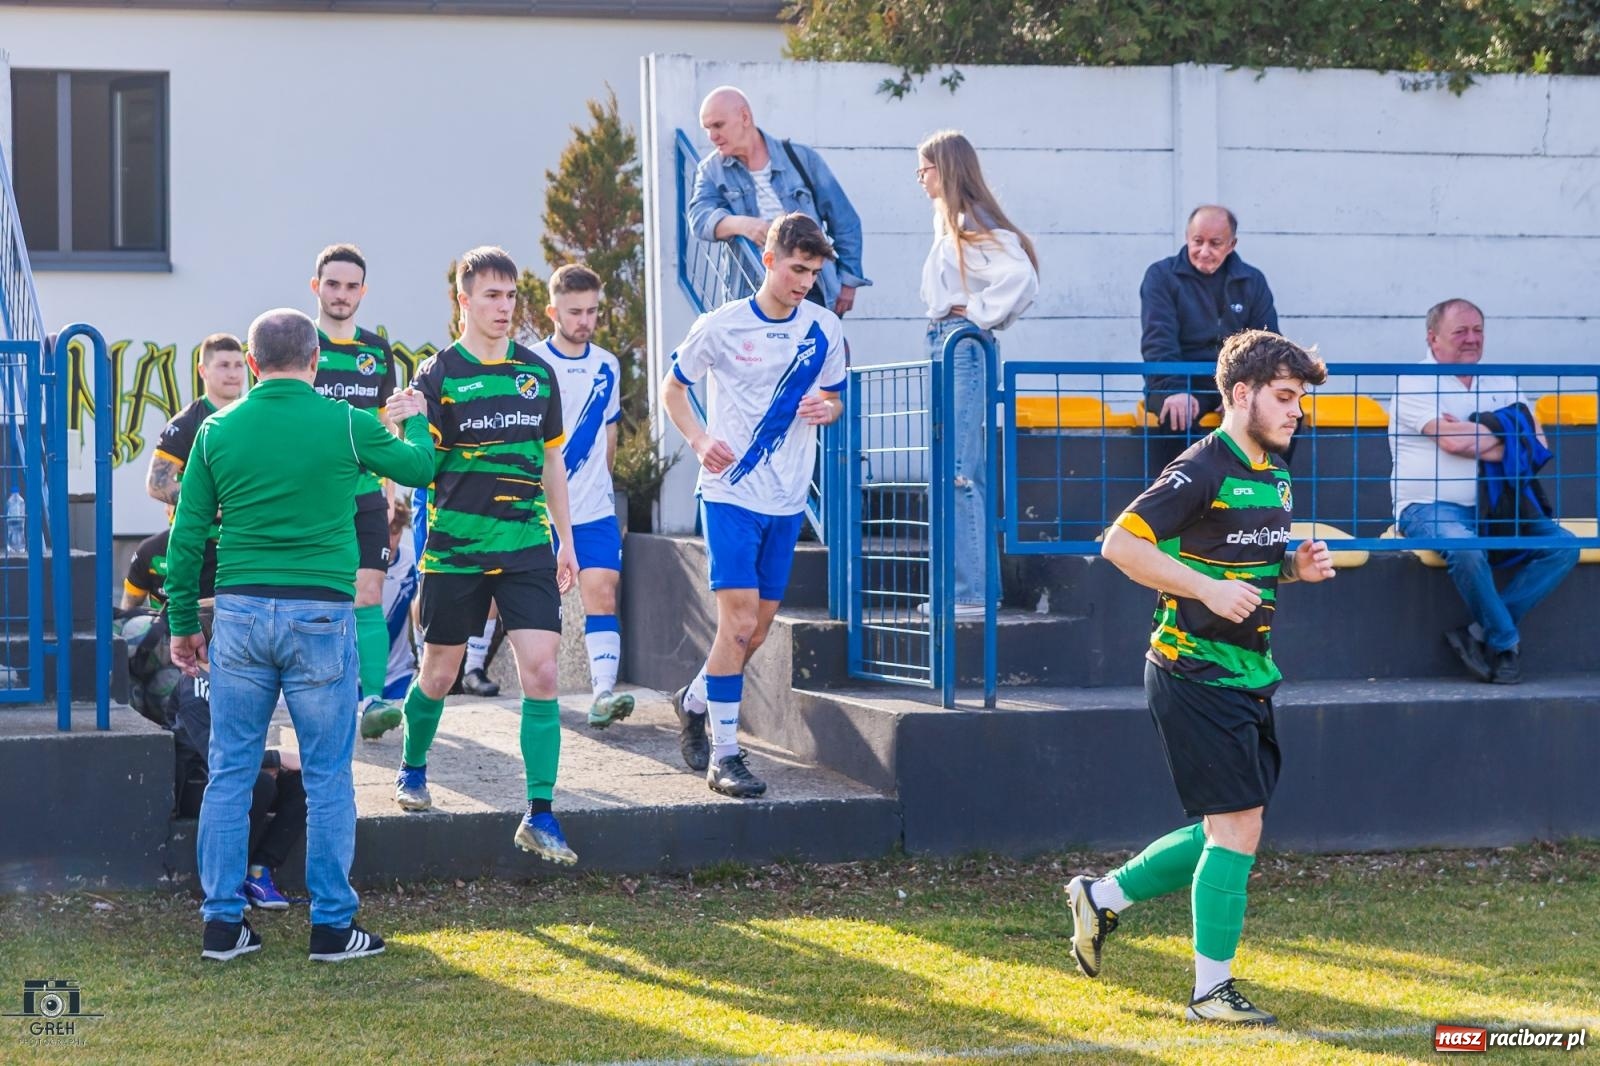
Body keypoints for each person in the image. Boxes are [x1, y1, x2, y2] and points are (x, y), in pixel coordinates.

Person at [1077, 330, 1332, 1027]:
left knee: (1231, 824)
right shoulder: (1201, 466)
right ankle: (1210, 993)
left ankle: (1101, 899)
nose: (1296, 412)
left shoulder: (1276, 472)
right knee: (1238, 825)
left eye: (1301, 400)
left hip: (1249, 671)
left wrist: (1293, 569)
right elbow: (1120, 544)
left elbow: (1246, 561)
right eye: (1285, 397)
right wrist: (1205, 591)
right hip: (1192, 667)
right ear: (1241, 394)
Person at [166, 307, 435, 964]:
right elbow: (423, 467)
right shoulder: (346, 424)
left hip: (239, 614)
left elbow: (186, 536)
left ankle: (223, 926)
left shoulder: (218, 428)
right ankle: (333, 928)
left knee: (229, 771)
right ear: (316, 362)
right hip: (321, 614)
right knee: (326, 775)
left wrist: (180, 623)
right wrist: (419, 409)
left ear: (252, 365)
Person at [394, 246, 582, 868]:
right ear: (464, 300)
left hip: (527, 544)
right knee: (440, 676)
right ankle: (413, 765)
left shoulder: (537, 373)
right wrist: (404, 424)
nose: (504, 308)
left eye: (510, 296)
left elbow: (551, 458)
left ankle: (541, 811)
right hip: (456, 552)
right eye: (492, 296)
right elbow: (420, 461)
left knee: (544, 672)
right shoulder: (438, 375)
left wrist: (565, 539)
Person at [661, 213, 847, 798]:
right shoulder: (721, 326)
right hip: (731, 493)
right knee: (737, 623)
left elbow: (836, 396)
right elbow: (673, 388)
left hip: (788, 499)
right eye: (796, 269)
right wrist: (698, 438)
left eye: (814, 273)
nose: (804, 283)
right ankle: (726, 756)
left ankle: (692, 701)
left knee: (757, 632)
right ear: (768, 260)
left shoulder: (824, 328)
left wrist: (828, 408)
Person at [1391, 298, 1578, 684]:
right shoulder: (1412, 380)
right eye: (1460, 331)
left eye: (1478, 330)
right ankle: (1505, 641)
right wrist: (1511, 435)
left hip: (1500, 505)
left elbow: (1537, 442)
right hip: (1428, 507)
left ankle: (1478, 632)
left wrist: (1485, 436)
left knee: (1565, 547)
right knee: (1468, 550)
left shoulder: (1502, 380)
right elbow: (1455, 444)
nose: (1471, 339)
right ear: (1433, 337)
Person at [916, 130, 1039, 617]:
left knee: (960, 472)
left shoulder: (970, 221)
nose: (920, 179)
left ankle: (970, 595)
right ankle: (970, 591)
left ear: (944, 168)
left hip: (961, 345)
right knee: (961, 469)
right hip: (952, 344)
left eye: (924, 169)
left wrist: (978, 312)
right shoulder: (954, 223)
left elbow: (1021, 277)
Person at [310, 243, 405, 737]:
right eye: (333, 284)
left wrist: (389, 487)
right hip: (311, 499)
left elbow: (384, 424)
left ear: (362, 292)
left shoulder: (376, 351)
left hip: (366, 492)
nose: (342, 295)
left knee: (369, 594)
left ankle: (372, 700)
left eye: (351, 286)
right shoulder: (300, 345)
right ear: (316, 287)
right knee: (323, 600)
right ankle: (326, 701)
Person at [540, 263, 633, 728]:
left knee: (602, 592)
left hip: (594, 509)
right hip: (539, 512)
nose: (585, 321)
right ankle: (477, 673)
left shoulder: (607, 364)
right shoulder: (531, 363)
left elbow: (609, 432)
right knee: (531, 608)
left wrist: (605, 488)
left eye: (592, 311)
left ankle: (603, 695)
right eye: (575, 312)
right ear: (552, 309)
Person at [689, 86, 870, 316]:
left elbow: (845, 221)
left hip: (809, 287)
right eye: (707, 129)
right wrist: (742, 225)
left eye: (718, 125)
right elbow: (698, 218)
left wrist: (848, 282)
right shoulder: (712, 171)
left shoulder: (801, 158)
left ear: (744, 117)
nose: (712, 136)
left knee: (814, 350)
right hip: (750, 292)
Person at [1140, 206, 1279, 473]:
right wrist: (1174, 390)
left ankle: (1263, 495)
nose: (1204, 251)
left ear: (1231, 245)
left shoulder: (1252, 281)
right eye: (1197, 241)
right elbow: (1158, 341)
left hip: (1235, 381)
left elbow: (1267, 344)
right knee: (1176, 418)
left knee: (1280, 417)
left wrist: (1243, 389)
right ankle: (1180, 501)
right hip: (1180, 381)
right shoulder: (1161, 276)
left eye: (1215, 243)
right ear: (1186, 237)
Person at [173, 666, 306, 912]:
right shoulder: (194, 686)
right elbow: (216, 756)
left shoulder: (237, 679)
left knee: (302, 784)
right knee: (258, 784)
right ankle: (228, 880)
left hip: (240, 770)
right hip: (197, 784)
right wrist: (274, 758)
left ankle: (259, 870)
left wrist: (264, 763)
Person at [146, 332, 248, 506]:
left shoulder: (252, 415)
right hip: (201, 532)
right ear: (203, 370)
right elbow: (157, 484)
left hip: (249, 530)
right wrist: (215, 506)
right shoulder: (186, 422)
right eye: (224, 365)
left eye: (239, 365)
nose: (233, 374)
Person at [382, 495, 420, 702]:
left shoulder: (410, 562)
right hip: (355, 678)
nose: (389, 540)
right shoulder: (354, 565)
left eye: (395, 532)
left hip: (399, 676)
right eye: (384, 532)